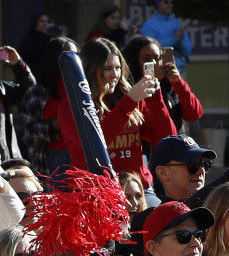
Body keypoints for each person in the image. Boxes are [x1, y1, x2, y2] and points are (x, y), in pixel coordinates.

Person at [57, 38, 174, 200]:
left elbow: (166, 140)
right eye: (107, 68)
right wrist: (130, 101)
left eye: (118, 68)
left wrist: (154, 96)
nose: (115, 75)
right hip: (94, 193)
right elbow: (96, 146)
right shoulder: (70, 107)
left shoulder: (130, 100)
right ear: (90, 70)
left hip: (137, 191)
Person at [19, 37, 78, 173]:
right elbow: (26, 132)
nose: (74, 60)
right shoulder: (37, 92)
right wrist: (52, 126)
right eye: (68, 55)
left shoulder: (84, 88)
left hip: (82, 154)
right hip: (52, 158)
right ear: (55, 59)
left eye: (77, 55)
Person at [122, 36, 203, 135]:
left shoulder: (168, 83)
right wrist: (151, 82)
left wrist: (178, 82)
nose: (153, 63)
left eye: (156, 59)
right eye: (146, 59)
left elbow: (193, 114)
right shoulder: (129, 89)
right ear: (134, 61)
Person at [141, 0, 192, 71]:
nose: (170, 4)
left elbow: (187, 51)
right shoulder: (149, 25)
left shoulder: (177, 23)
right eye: (166, 2)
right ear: (158, 4)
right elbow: (151, 48)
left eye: (172, 2)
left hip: (178, 70)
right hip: (157, 72)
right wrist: (174, 39)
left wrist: (182, 37)